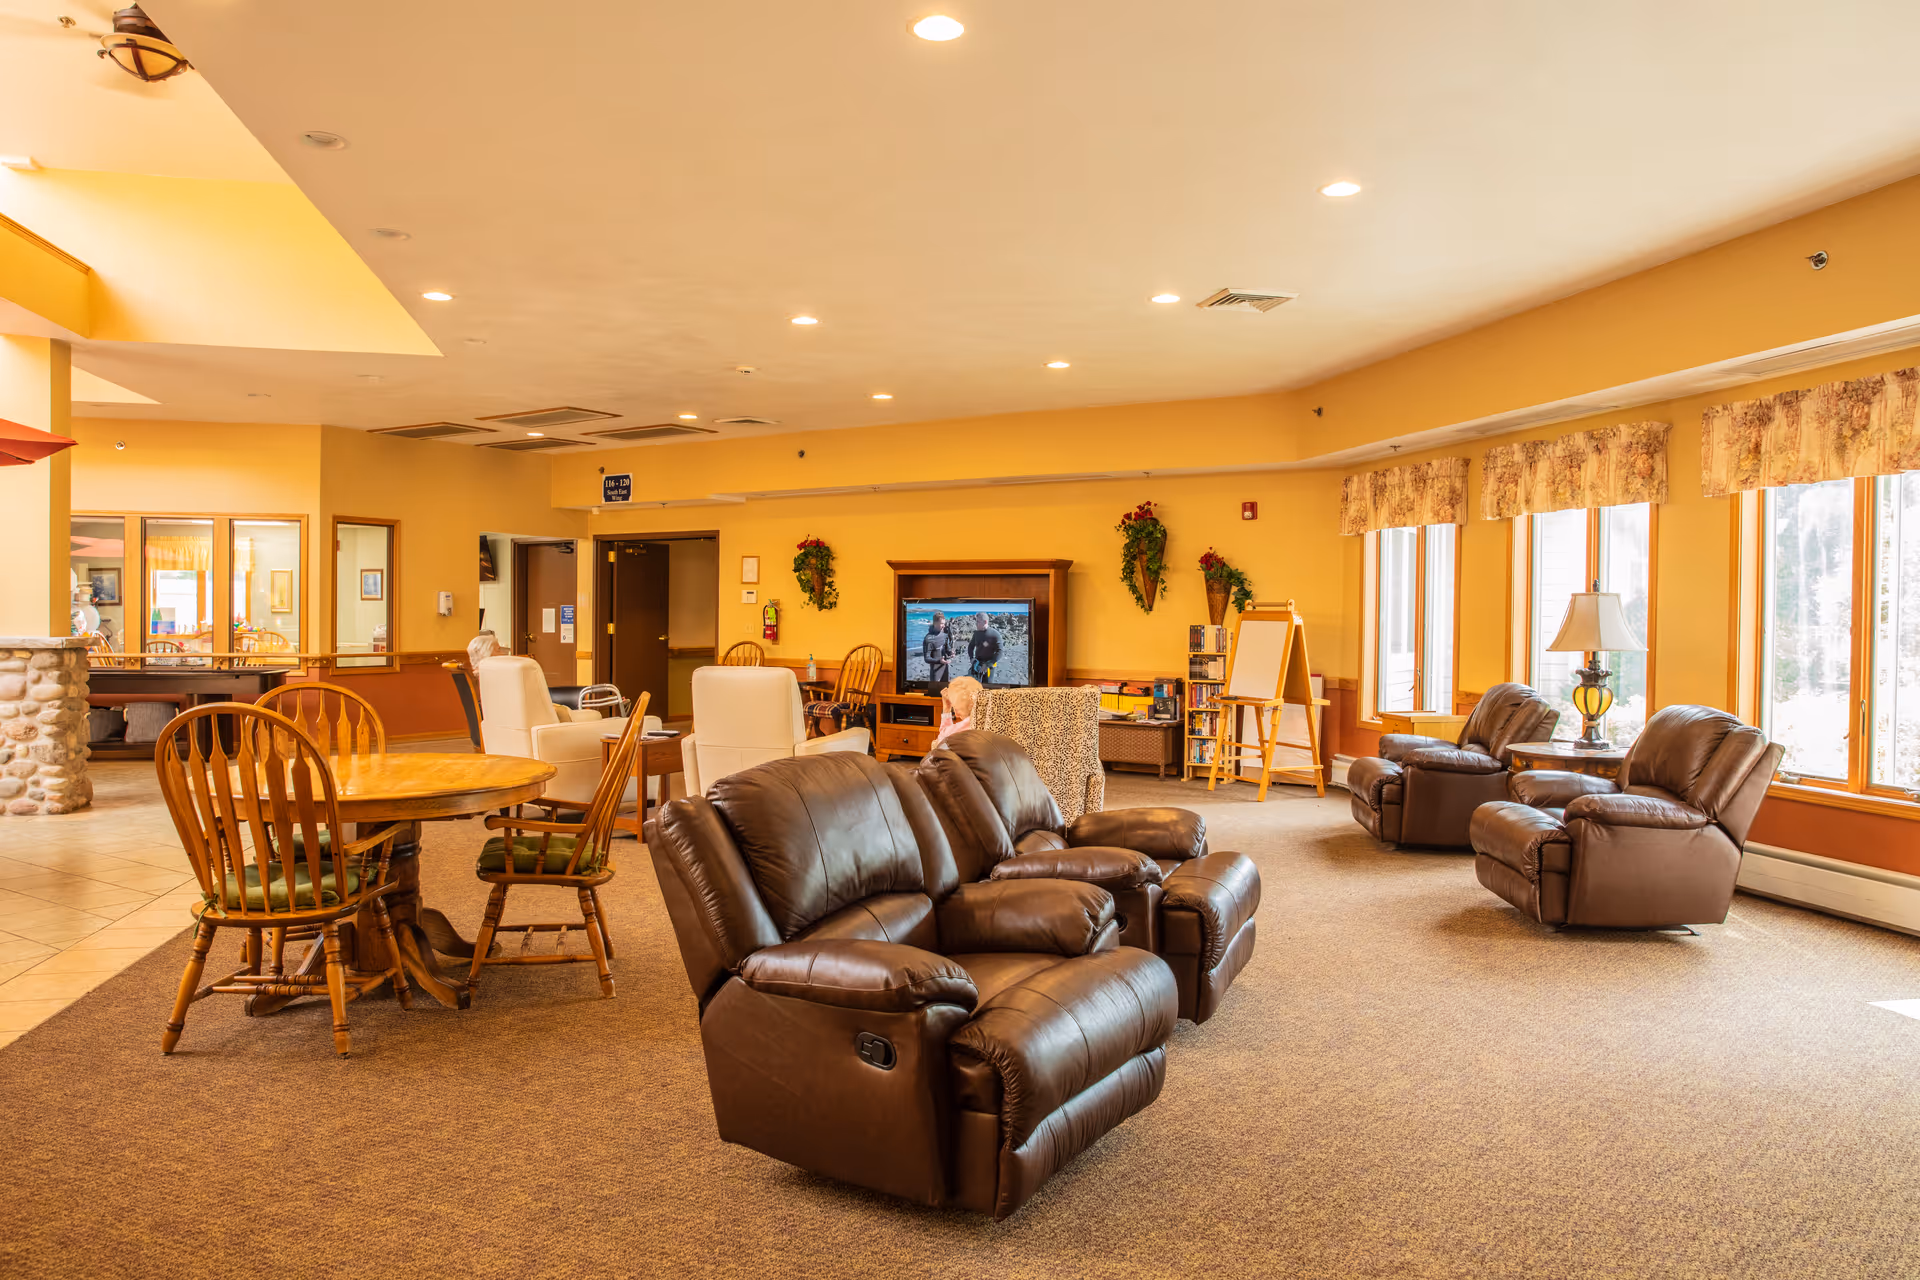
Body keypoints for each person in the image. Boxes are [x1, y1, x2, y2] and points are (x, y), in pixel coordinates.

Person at [930, 676, 982, 753]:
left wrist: (946, 709)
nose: (957, 715)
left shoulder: (961, 728)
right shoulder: (987, 723)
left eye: (957, 709)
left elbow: (941, 741)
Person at [921, 610, 953, 687]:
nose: (944, 626)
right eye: (942, 623)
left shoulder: (944, 635)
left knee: (946, 694)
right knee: (935, 695)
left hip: (945, 669)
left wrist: (951, 653)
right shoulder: (928, 638)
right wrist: (939, 661)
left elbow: (947, 649)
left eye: (944, 624)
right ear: (935, 623)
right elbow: (927, 658)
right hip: (935, 672)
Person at [967, 612, 1001, 684]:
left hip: (989, 666)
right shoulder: (976, 633)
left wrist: (988, 665)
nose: (976, 624)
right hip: (977, 664)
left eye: (978, 622)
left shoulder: (995, 634)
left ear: (985, 622)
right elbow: (970, 646)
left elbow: (1000, 652)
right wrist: (971, 658)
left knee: (987, 686)